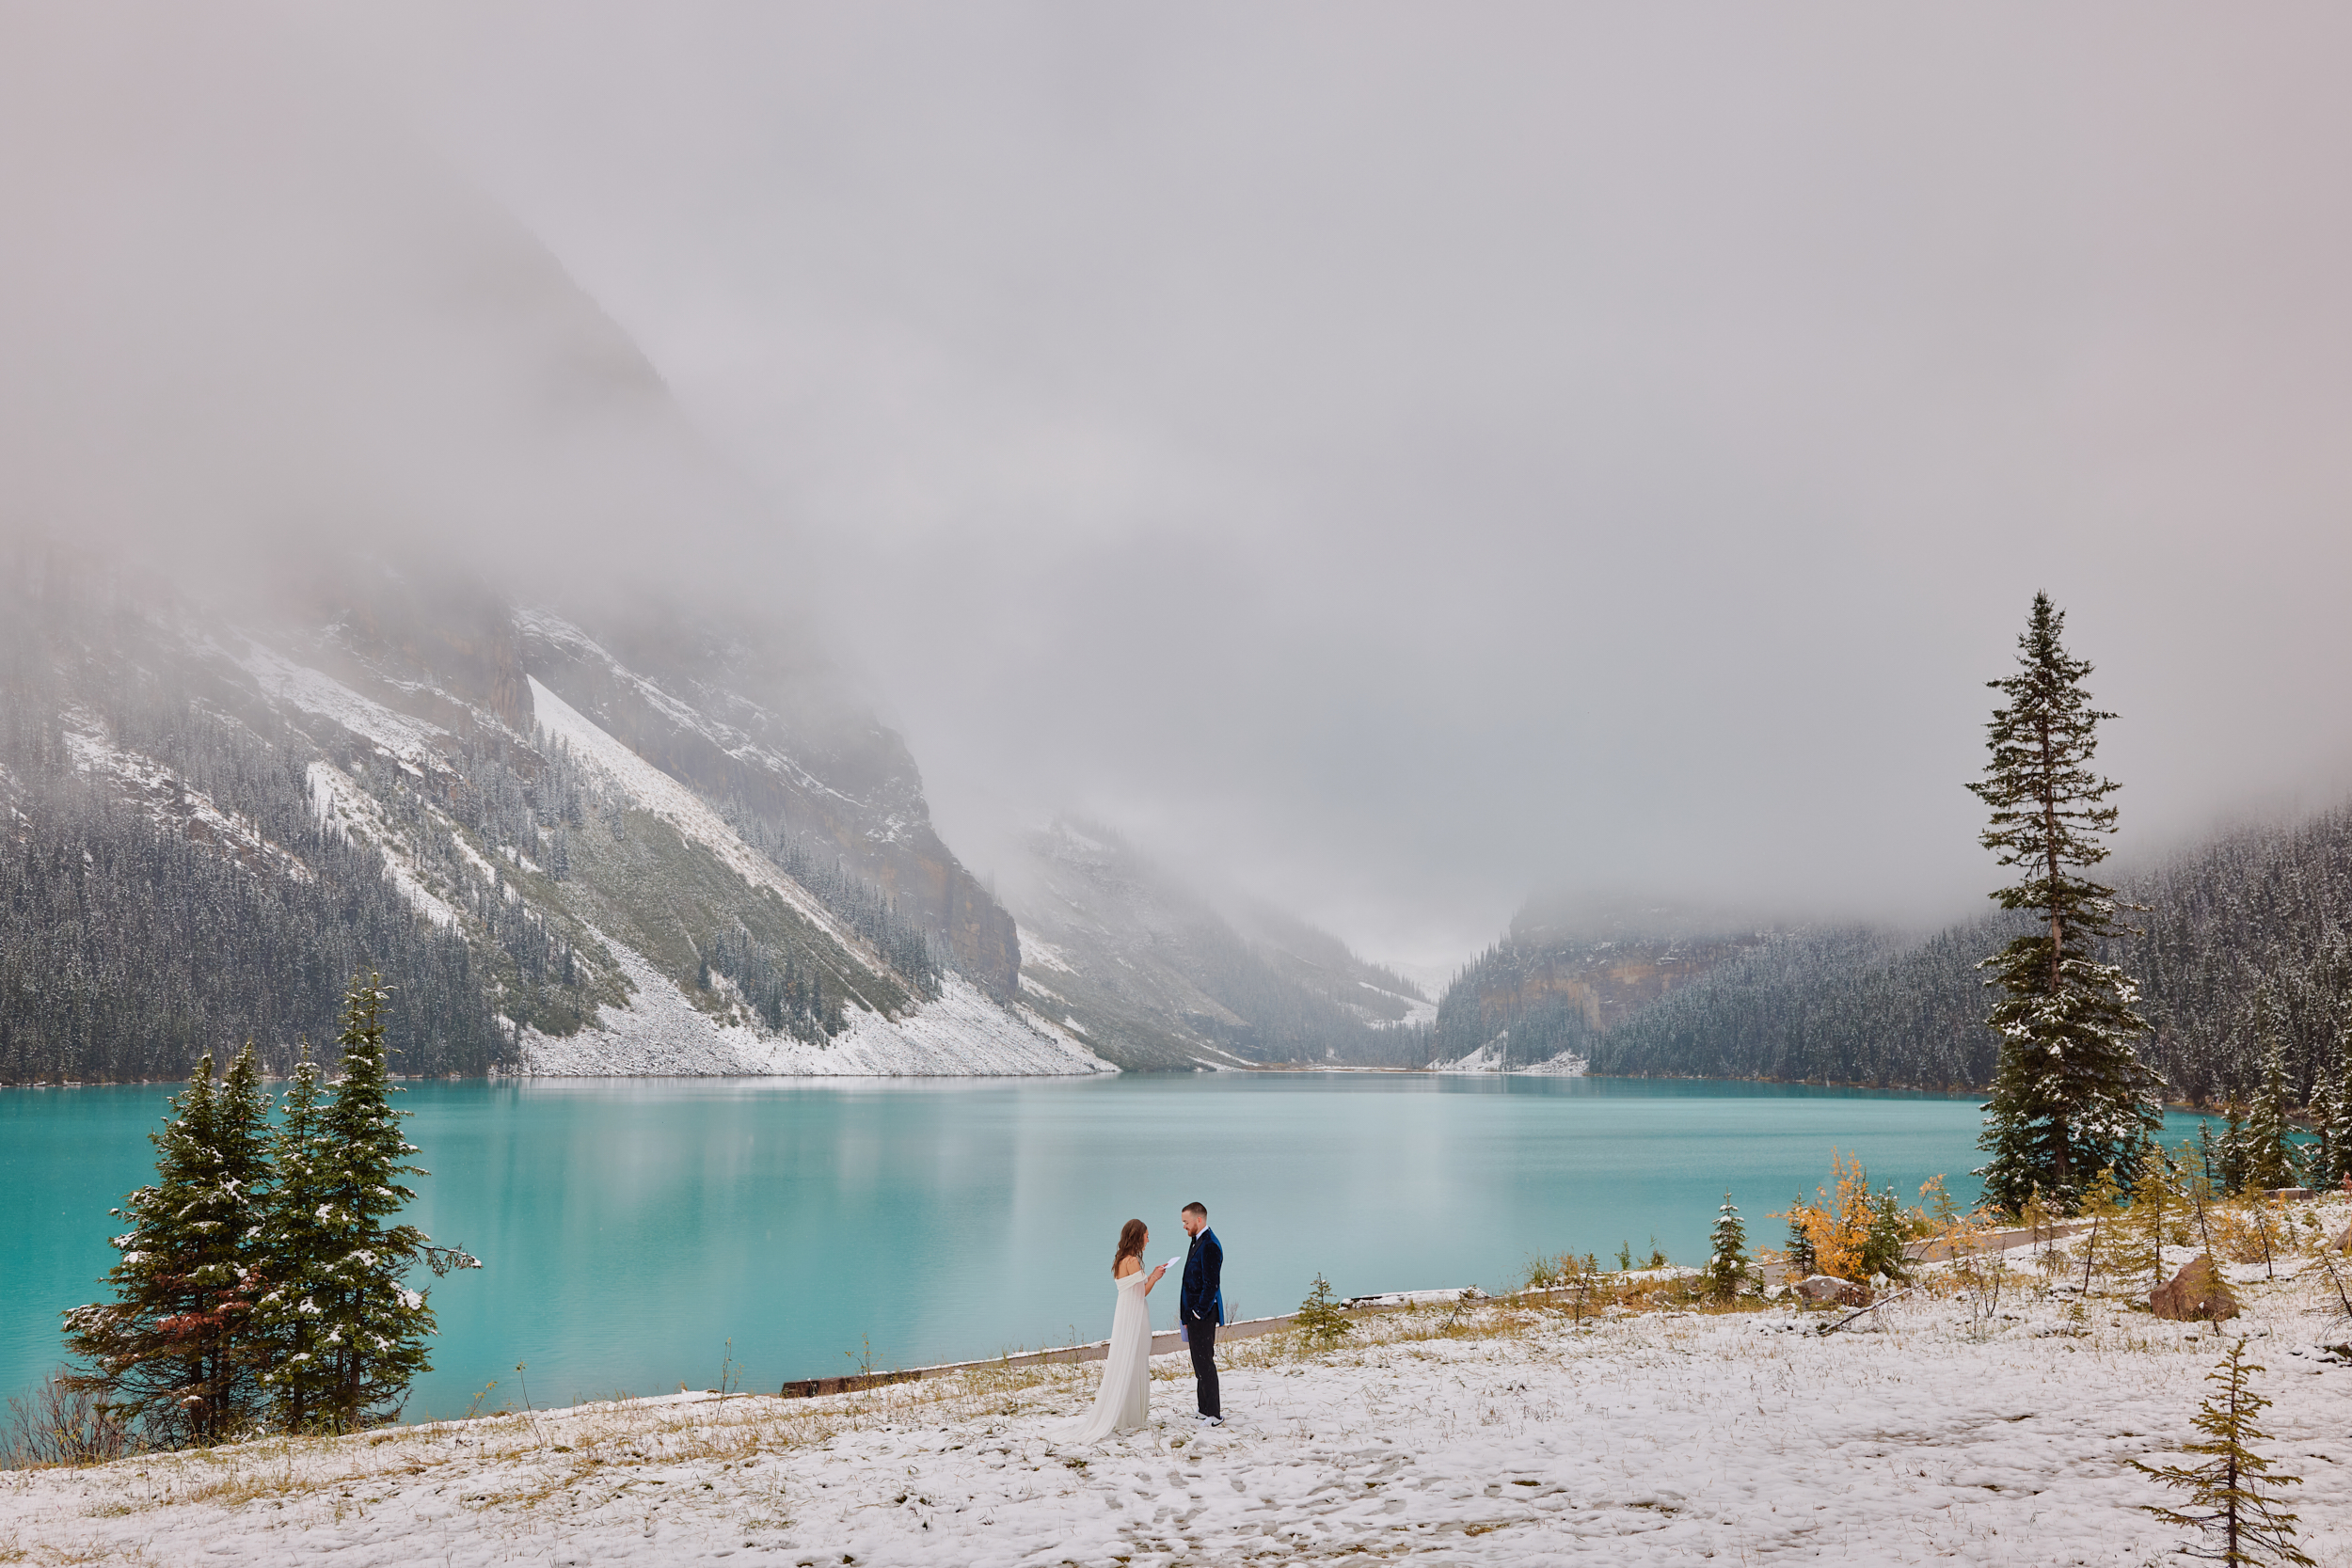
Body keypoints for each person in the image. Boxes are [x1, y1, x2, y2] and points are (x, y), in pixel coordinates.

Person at [1064, 1218, 1168, 1442]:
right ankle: (1133, 1415)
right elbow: (1142, 1293)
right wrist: (1156, 1278)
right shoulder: (1133, 1261)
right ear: (1138, 1236)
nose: (1149, 1239)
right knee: (1136, 1360)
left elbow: (1133, 1289)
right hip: (1135, 1316)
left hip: (1124, 1314)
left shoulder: (1120, 1260)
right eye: (1147, 1235)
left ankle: (1125, 1411)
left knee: (1125, 1360)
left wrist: (1149, 1277)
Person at [1178, 1201, 1224, 1425]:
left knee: (1206, 1361)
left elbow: (1211, 1285)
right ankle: (1203, 1408)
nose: (1184, 1226)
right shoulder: (1197, 1241)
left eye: (1186, 1222)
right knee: (1198, 1362)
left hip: (1203, 1315)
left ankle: (1214, 1413)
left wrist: (1197, 1313)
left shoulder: (1211, 1246)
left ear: (1199, 1220)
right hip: (1193, 1315)